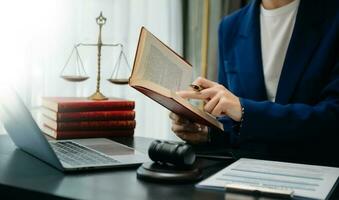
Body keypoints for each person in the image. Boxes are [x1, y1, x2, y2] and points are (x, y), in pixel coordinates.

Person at [170, 0, 339, 166]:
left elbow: (333, 119)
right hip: (244, 170)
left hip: (315, 170)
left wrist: (245, 110)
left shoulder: (333, 18)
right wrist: (209, 131)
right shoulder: (230, 26)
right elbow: (232, 121)